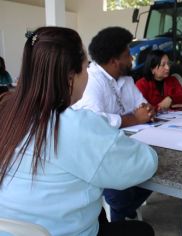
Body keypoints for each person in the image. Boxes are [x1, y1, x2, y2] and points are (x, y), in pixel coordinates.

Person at [0, 27, 158, 236]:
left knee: (99, 211)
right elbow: (144, 164)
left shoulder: (6, 112)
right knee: (141, 230)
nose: (88, 75)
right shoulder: (77, 125)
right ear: (70, 77)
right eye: (85, 68)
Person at [72, 27, 156, 223]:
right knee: (120, 194)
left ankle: (122, 211)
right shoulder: (92, 80)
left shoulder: (126, 79)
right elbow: (95, 121)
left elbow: (142, 105)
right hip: (101, 150)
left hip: (128, 144)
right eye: (128, 55)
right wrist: (135, 118)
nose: (132, 59)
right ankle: (121, 211)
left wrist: (146, 110)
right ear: (113, 61)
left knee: (154, 172)